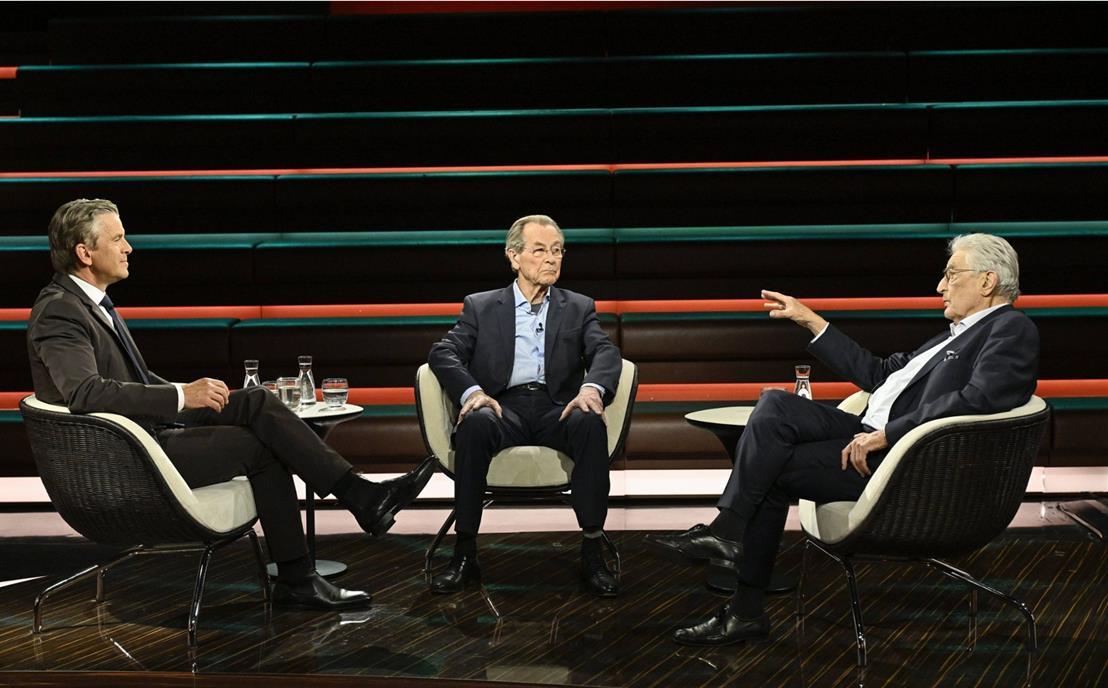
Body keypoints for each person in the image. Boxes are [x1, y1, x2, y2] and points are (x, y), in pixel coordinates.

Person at [28, 198, 434, 611]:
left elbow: (132, 381)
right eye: (117, 238)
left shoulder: (90, 303)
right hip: (127, 457)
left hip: (144, 433)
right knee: (260, 449)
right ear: (84, 252)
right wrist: (183, 396)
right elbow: (85, 392)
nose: (128, 246)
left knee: (256, 402)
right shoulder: (60, 311)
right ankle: (303, 571)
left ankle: (359, 497)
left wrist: (185, 389)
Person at [652, 233, 1039, 646]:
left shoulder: (1010, 329)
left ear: (986, 281)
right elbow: (878, 374)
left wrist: (886, 435)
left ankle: (741, 592)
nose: (940, 287)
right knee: (774, 406)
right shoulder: (950, 336)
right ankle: (728, 535)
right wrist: (811, 321)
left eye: (950, 275)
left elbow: (975, 400)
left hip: (904, 463)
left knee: (771, 470)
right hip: (867, 433)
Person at [427, 214, 624, 596]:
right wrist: (472, 394)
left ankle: (592, 550)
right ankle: (464, 553)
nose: (551, 259)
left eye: (557, 251)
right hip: (504, 407)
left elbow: (605, 351)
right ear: (514, 257)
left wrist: (592, 390)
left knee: (588, 423)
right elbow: (444, 352)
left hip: (557, 408)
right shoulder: (481, 307)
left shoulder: (578, 306)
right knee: (475, 425)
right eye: (540, 251)